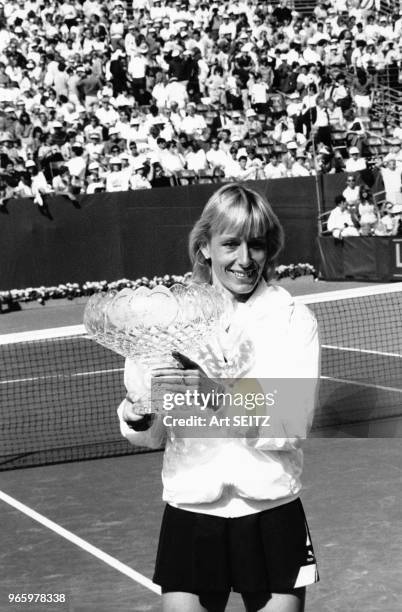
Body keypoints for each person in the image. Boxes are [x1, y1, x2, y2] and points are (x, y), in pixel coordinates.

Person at [117, 184, 320, 612]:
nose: (245, 260)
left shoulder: (291, 319)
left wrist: (211, 392)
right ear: (205, 247)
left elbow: (290, 423)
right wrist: (138, 413)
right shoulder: (163, 319)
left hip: (271, 509)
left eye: (257, 245)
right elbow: (152, 435)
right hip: (191, 508)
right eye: (230, 243)